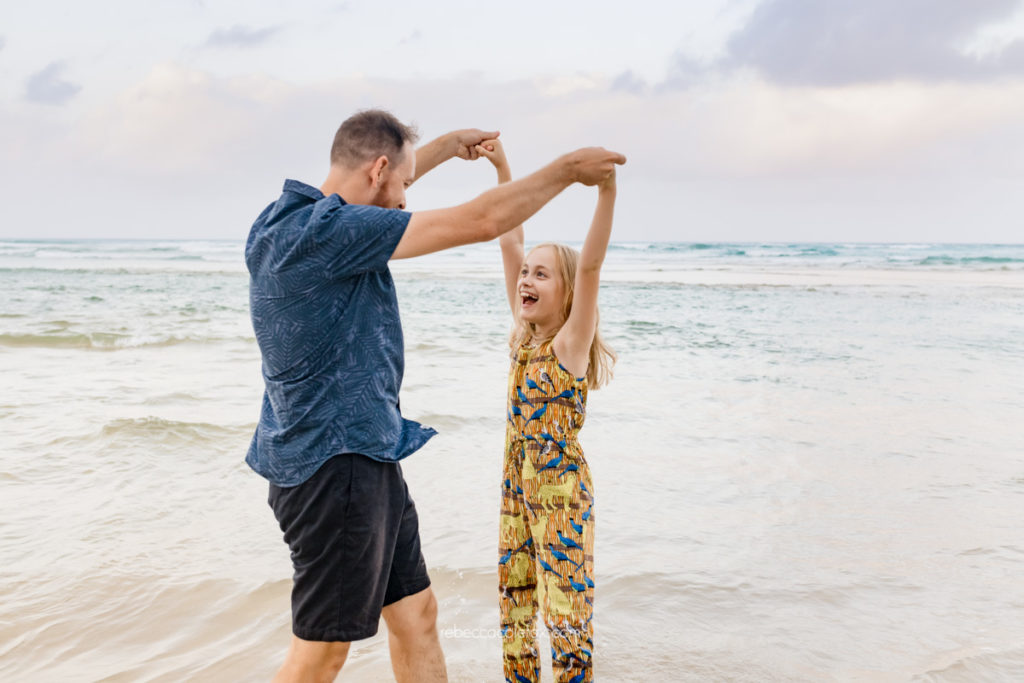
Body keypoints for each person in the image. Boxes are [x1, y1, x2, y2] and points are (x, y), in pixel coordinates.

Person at [244, 109, 625, 683]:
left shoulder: (281, 221)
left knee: (417, 614)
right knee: (322, 650)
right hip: (337, 467)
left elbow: (388, 185)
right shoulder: (332, 232)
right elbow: (482, 220)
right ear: (376, 170)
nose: (403, 202)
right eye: (401, 184)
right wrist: (570, 169)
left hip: (361, 457)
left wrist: (447, 147)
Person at [477, 138, 617, 683]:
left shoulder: (567, 346)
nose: (525, 280)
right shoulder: (522, 340)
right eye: (524, 273)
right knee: (513, 610)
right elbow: (509, 235)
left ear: (565, 294)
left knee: (565, 620)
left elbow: (592, 267)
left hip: (562, 500)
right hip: (516, 491)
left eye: (540, 274)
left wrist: (606, 191)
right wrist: (502, 167)